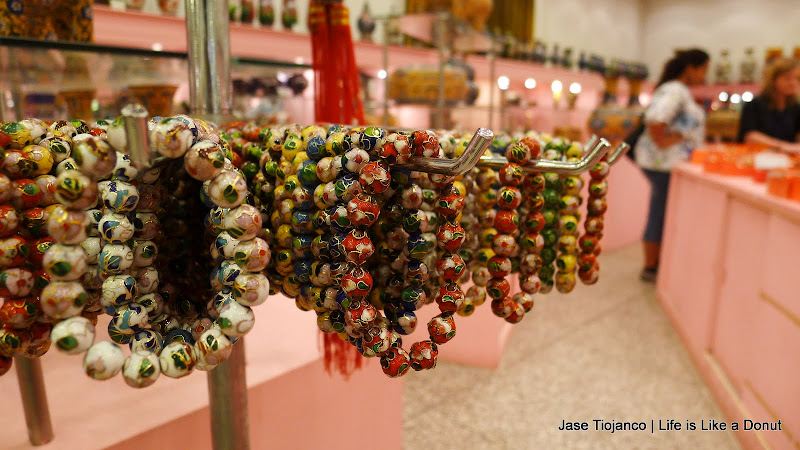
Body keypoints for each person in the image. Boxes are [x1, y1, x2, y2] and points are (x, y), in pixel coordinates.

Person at [635, 49, 710, 282]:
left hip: (664, 162)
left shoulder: (675, 90)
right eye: (703, 69)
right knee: (659, 212)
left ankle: (656, 263)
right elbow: (656, 119)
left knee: (661, 211)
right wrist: (668, 140)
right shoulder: (676, 90)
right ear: (691, 68)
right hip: (663, 164)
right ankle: (651, 265)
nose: (705, 75)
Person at [737, 58, 800, 153]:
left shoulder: (795, 107)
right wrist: (784, 146)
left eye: (798, 79)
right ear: (773, 79)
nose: (793, 83)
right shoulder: (754, 105)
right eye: (787, 78)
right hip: (757, 155)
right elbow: (750, 136)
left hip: (786, 157)